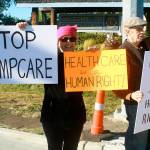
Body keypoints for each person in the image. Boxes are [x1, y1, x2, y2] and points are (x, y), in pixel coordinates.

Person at [17, 23, 86, 150]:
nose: (68, 42)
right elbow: (27, 51)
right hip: (52, 115)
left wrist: (102, 52)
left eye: (72, 39)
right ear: (57, 41)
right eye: (64, 39)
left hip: (75, 115)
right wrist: (24, 29)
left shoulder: (83, 60)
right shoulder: (47, 59)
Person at [113, 17, 150, 150]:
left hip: (148, 100)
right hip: (135, 104)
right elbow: (115, 84)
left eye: (143, 28)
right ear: (127, 31)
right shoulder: (122, 52)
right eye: (138, 29)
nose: (142, 31)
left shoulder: (145, 45)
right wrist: (130, 95)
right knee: (138, 140)